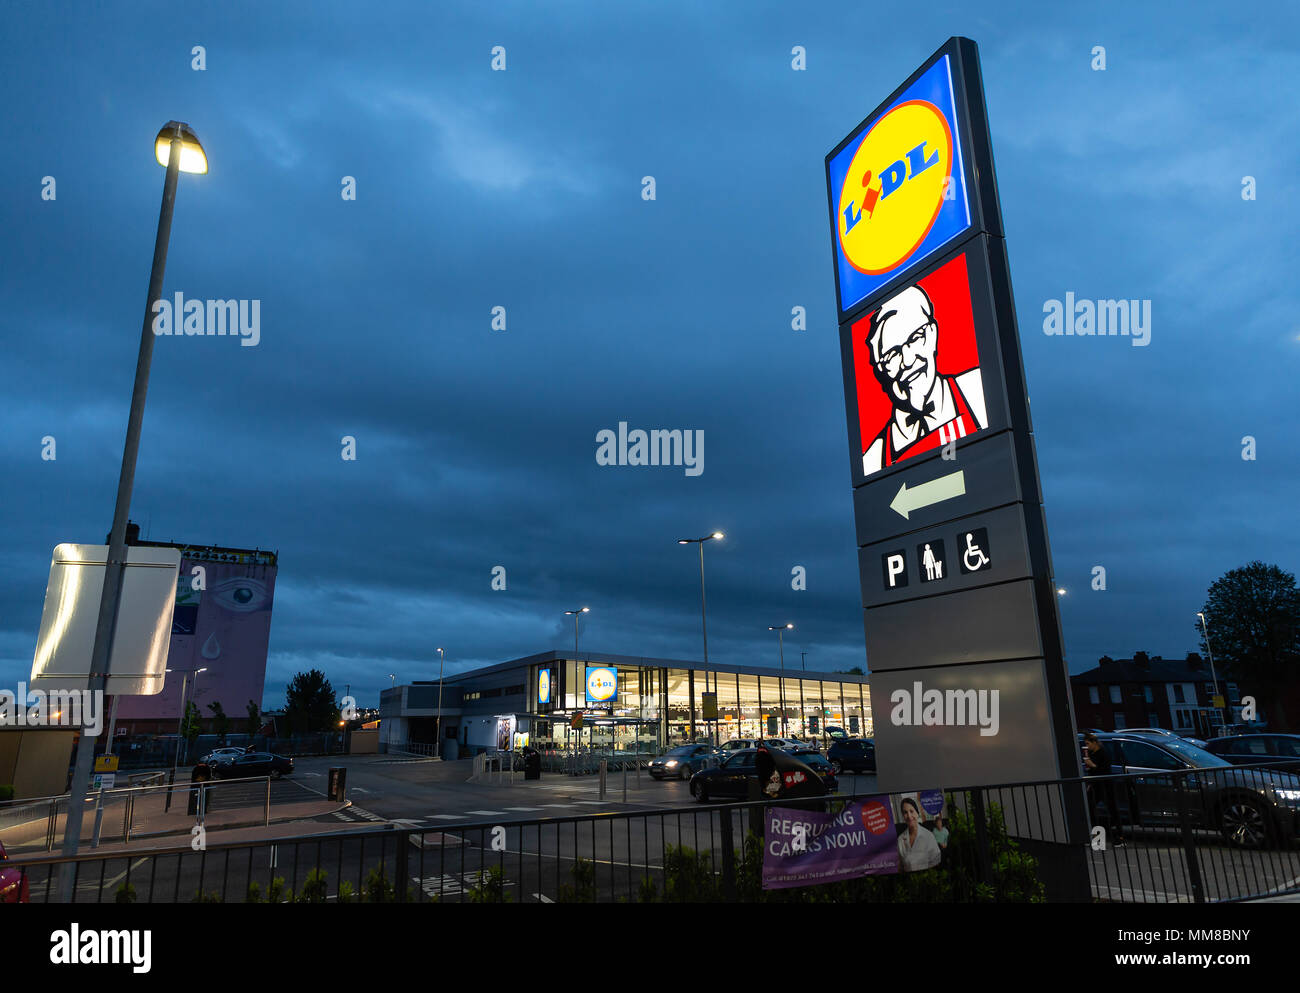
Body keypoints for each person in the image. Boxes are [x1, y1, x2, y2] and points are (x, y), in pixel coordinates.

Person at [862, 284, 988, 475]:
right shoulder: (872, 460)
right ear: (881, 370)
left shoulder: (980, 392)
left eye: (915, 338)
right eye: (892, 354)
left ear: (932, 335)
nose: (908, 359)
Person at [1083, 732, 1125, 846]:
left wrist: (1091, 765)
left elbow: (1104, 770)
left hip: (1106, 786)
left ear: (1094, 742)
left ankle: (1119, 837)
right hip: (1096, 785)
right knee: (1090, 808)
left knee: (1112, 810)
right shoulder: (1092, 753)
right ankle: (1096, 837)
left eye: (1088, 743)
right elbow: (1093, 771)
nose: (1087, 746)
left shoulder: (1103, 753)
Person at [897, 796, 941, 871]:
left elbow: (936, 863)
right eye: (905, 812)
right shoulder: (900, 839)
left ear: (917, 813)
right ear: (903, 816)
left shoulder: (929, 836)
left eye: (911, 811)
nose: (909, 816)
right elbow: (900, 867)